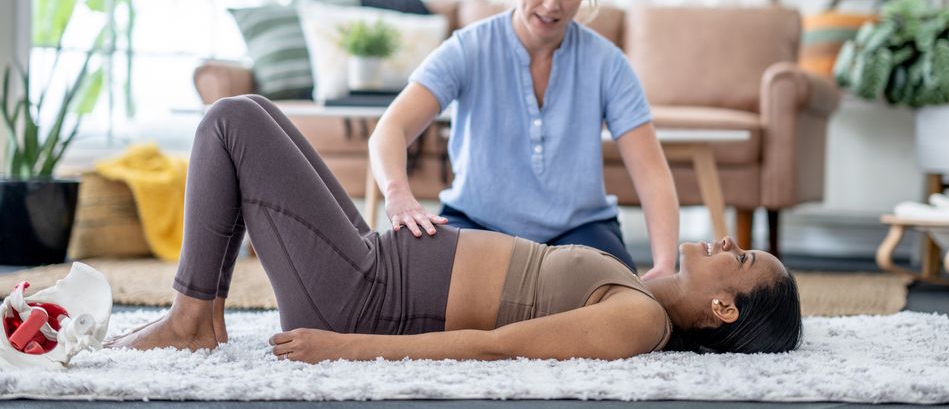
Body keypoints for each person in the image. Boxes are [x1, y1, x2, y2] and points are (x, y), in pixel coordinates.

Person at [109, 96, 802, 361]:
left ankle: (193, 316)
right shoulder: (642, 291)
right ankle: (197, 311)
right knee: (252, 110)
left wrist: (341, 349)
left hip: (361, 298)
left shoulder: (639, 322)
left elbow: (497, 347)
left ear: (722, 308)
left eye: (737, 259)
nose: (724, 242)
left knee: (231, 123)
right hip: (374, 262)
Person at [369, 0, 680, 277]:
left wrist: (664, 264)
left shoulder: (608, 64)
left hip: (581, 231)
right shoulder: (468, 48)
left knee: (625, 313)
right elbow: (391, 128)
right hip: (477, 224)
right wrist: (397, 193)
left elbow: (651, 173)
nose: (552, 4)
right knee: (427, 294)